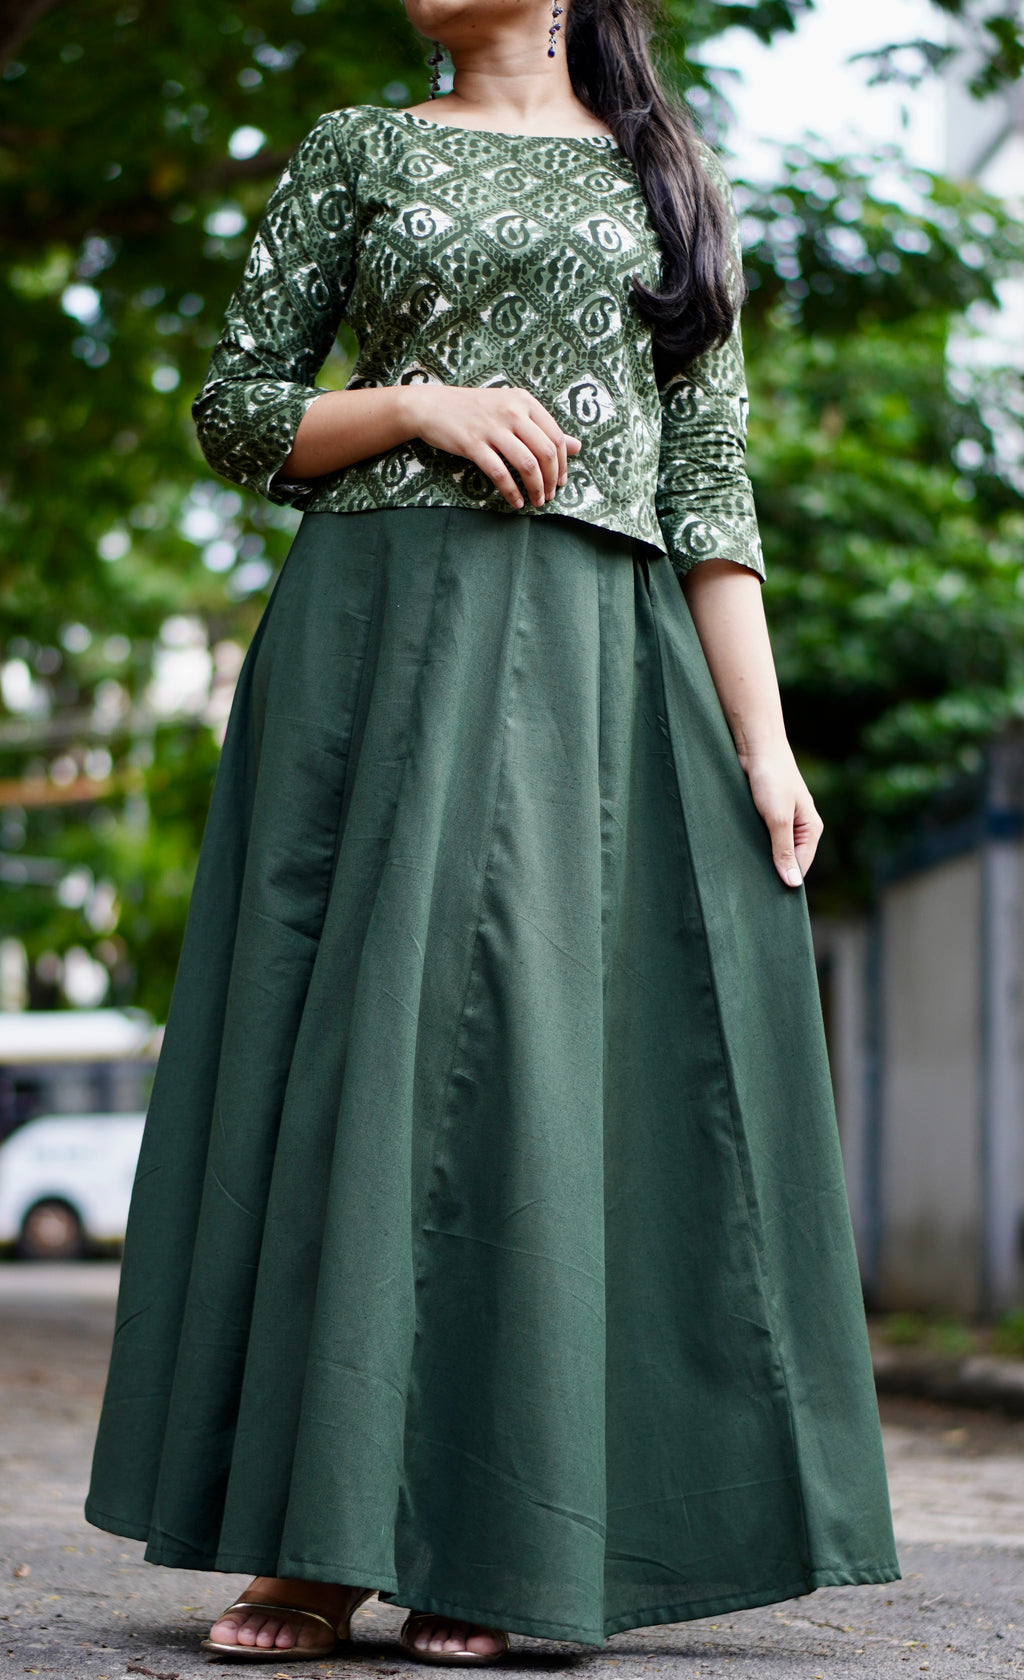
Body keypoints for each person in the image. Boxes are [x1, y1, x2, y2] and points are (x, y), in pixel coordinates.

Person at [85, 0, 900, 1664]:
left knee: (533, 1092)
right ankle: (307, 1546)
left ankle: (497, 1546)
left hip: (590, 674)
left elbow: (711, 483)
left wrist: (767, 741)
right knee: (343, 1067)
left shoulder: (667, 183)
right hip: (369, 656)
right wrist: (416, 407)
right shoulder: (359, 147)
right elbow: (241, 411)